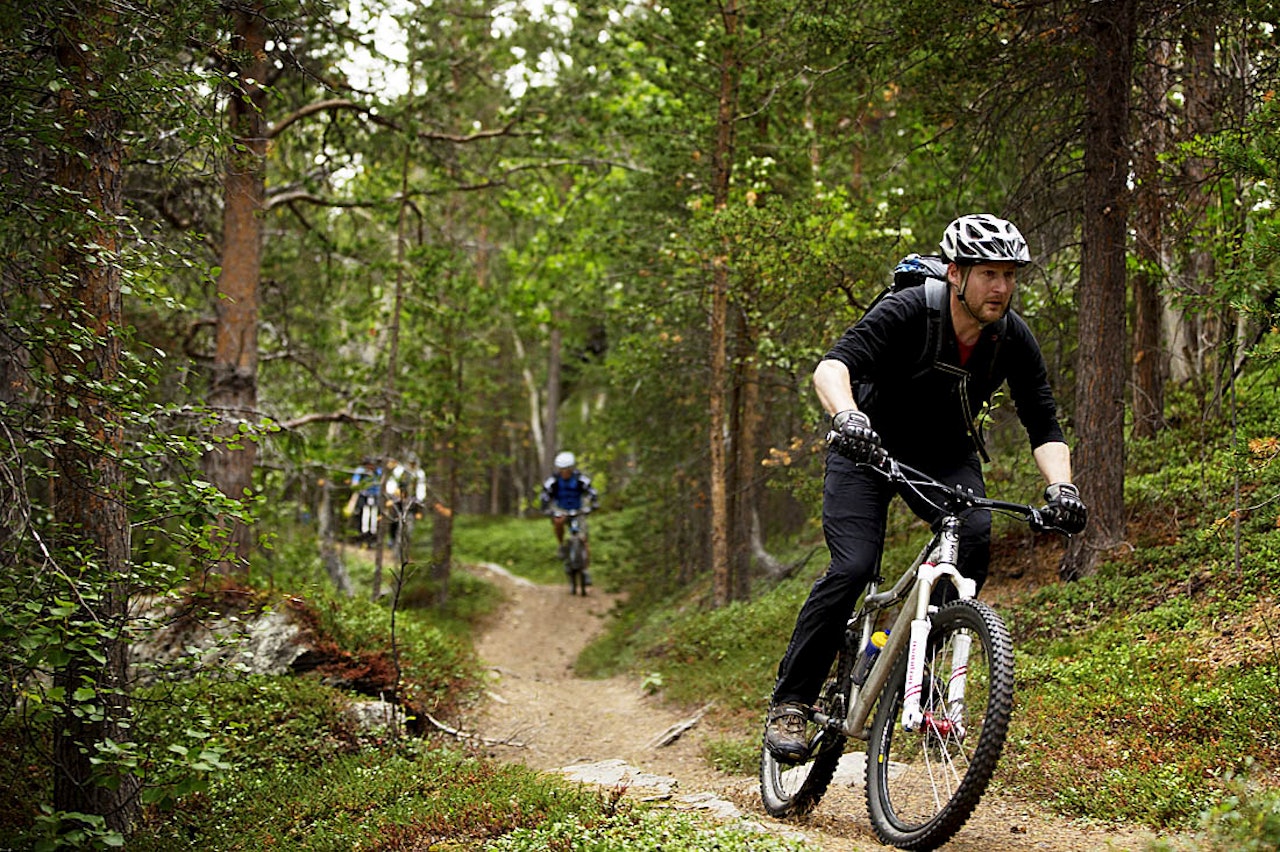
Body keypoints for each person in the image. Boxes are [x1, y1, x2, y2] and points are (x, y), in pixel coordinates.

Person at [764, 214, 1088, 761]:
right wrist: (847, 417)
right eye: (989, 273)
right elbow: (831, 367)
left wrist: (1063, 488)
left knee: (974, 545)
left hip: (943, 454)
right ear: (956, 273)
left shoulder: (1012, 337)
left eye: (1010, 275)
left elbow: (1044, 424)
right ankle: (792, 702)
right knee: (853, 565)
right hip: (865, 445)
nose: (1002, 287)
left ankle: (895, 666)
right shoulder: (912, 309)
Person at [539, 451, 600, 585]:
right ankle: (561, 545)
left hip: (578, 509)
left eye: (567, 470)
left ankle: (585, 571)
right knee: (558, 521)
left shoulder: (580, 479)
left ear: (572, 468)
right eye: (562, 470)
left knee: (584, 539)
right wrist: (546, 508)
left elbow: (591, 491)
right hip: (561, 508)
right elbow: (544, 495)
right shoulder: (553, 481)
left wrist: (594, 503)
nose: (564, 472)